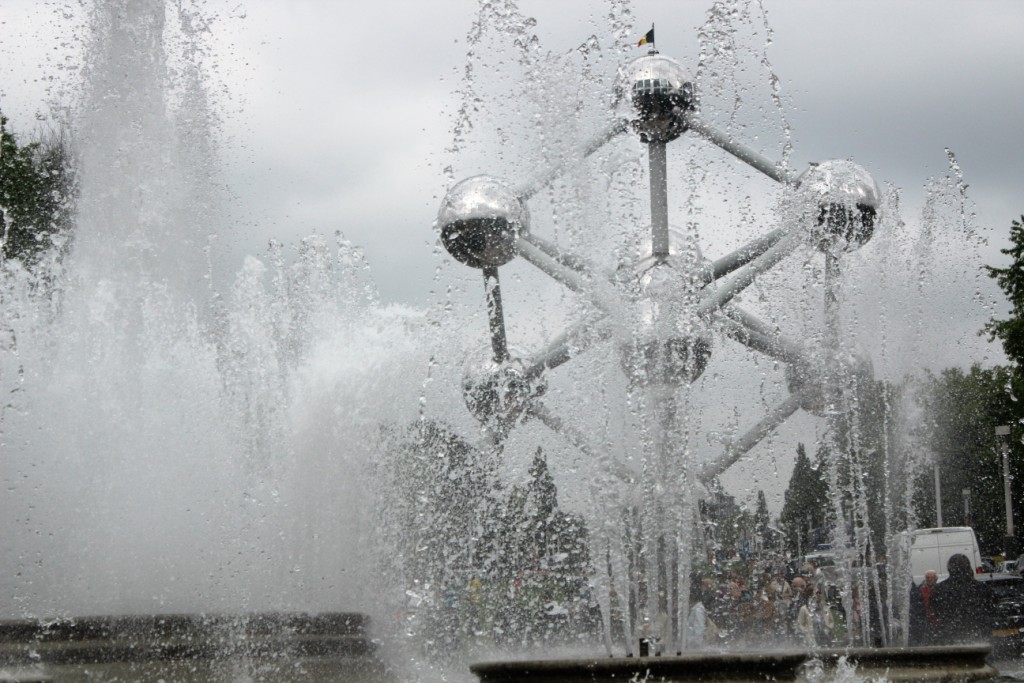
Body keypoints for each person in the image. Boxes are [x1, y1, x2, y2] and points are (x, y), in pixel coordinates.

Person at [929, 554, 994, 645]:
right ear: (968, 567)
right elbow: (990, 609)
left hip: (949, 635)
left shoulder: (940, 589)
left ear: (949, 569)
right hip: (977, 634)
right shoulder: (981, 588)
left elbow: (936, 610)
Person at [909, 569, 939, 645]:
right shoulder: (920, 589)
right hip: (924, 618)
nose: (929, 579)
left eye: (931, 577)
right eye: (927, 577)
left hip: (935, 619)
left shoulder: (939, 589)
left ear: (936, 579)